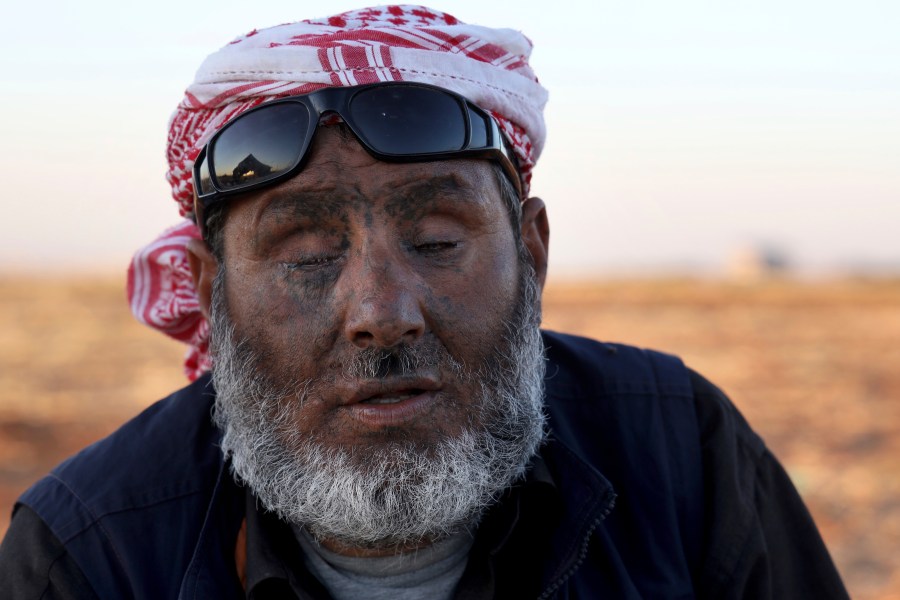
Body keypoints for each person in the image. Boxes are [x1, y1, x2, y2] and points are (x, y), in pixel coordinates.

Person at [0, 6, 849, 599]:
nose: (382, 311)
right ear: (215, 295)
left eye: (438, 240)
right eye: (304, 254)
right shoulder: (92, 550)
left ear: (532, 253)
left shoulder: (681, 454)